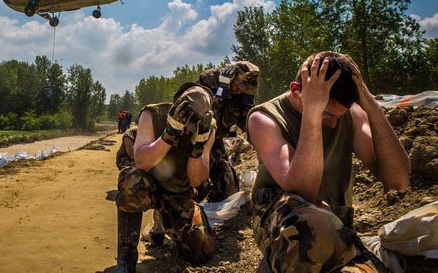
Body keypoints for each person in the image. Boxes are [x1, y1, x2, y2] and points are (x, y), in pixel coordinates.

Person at [247, 52, 410, 273]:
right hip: (284, 223)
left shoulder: (349, 115)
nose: (333, 124)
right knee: (313, 229)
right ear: (297, 92)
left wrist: (370, 105)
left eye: (339, 116)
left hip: (335, 225)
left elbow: (398, 180)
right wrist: (313, 114)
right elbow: (302, 190)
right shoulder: (264, 119)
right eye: (327, 114)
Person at [115, 83, 217, 272]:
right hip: (150, 185)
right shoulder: (152, 115)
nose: (188, 130)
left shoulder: (208, 129)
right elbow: (141, 162)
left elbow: (197, 181)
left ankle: (164, 223)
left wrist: (197, 149)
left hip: (178, 193)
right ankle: (126, 258)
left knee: (201, 252)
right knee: (132, 181)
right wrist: (170, 133)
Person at [195, 61, 259, 202]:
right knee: (196, 187)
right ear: (230, 78)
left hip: (216, 143)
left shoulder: (242, 94)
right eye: (237, 86)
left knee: (229, 192)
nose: (238, 91)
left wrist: (249, 107)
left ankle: (210, 210)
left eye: (243, 90)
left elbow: (247, 126)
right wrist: (220, 96)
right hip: (195, 143)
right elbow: (201, 120)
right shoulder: (207, 81)